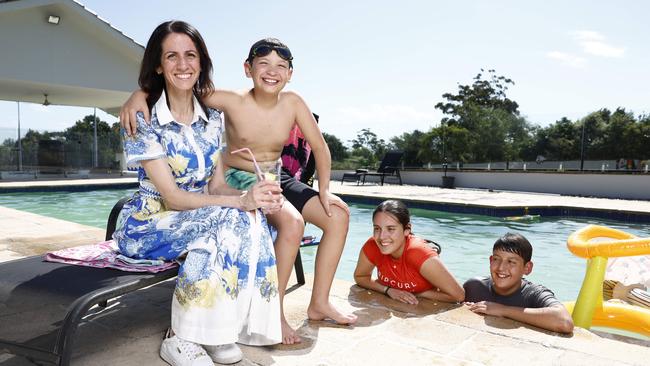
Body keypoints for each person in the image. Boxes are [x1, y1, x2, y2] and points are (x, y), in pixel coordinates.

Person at [120, 37, 356, 344]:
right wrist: (139, 94)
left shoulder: (294, 102)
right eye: (264, 64)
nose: (272, 72)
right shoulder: (230, 100)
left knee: (337, 215)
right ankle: (275, 314)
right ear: (248, 69)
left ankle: (320, 301)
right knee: (292, 223)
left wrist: (324, 190)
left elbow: (321, 149)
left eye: (281, 66)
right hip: (238, 177)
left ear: (290, 74)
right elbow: (180, 84)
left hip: (274, 177)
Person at [113, 21, 284, 366]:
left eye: (191, 55)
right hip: (149, 224)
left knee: (251, 217)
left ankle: (217, 330)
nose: (183, 64)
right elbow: (173, 198)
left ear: (201, 62)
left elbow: (218, 184)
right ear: (159, 65)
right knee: (227, 216)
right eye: (172, 56)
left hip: (196, 216)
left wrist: (256, 194)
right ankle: (180, 338)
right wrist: (238, 201)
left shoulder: (213, 119)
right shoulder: (142, 119)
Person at [353, 200, 465, 304]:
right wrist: (388, 290)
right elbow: (360, 276)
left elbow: (458, 295)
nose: (382, 237)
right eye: (377, 228)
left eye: (391, 229)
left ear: (407, 229)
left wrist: (418, 294)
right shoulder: (373, 245)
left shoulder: (418, 253)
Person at [463, 233, 574, 334]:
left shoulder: (534, 294)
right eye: (496, 259)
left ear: (527, 268)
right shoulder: (474, 287)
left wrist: (502, 310)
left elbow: (564, 322)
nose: (501, 267)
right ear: (491, 260)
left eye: (511, 262)